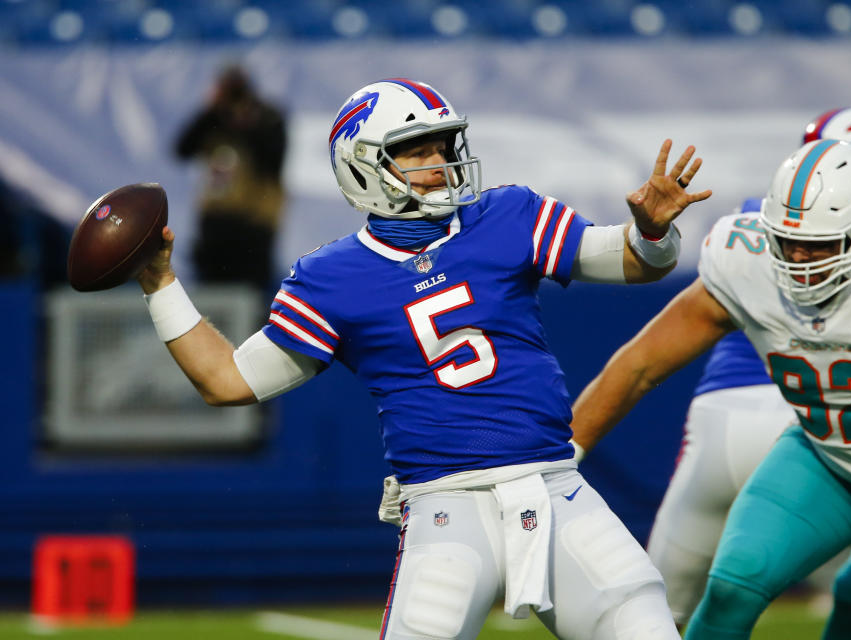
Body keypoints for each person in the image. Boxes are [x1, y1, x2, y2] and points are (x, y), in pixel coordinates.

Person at [137, 78, 712, 639]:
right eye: (415, 150)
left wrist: (652, 233)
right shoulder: (331, 278)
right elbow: (226, 380)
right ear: (363, 166)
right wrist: (160, 282)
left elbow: (635, 261)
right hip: (446, 506)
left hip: (553, 486)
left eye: (441, 145)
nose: (438, 161)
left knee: (642, 620)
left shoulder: (507, 215)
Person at [570, 138, 851, 639]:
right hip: (823, 462)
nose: (799, 259)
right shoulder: (745, 257)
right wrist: (561, 456)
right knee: (734, 584)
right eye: (786, 241)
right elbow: (640, 365)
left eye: (819, 245)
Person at [643, 106, 851, 637]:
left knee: (661, 613)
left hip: (725, 421)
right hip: (842, 432)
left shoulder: (754, 221)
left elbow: (642, 360)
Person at [174, 64, 287, 293]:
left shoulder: (268, 119)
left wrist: (248, 123)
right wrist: (210, 110)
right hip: (216, 223)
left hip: (255, 224)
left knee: (252, 298)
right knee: (213, 298)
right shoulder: (214, 119)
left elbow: (274, 161)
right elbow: (182, 149)